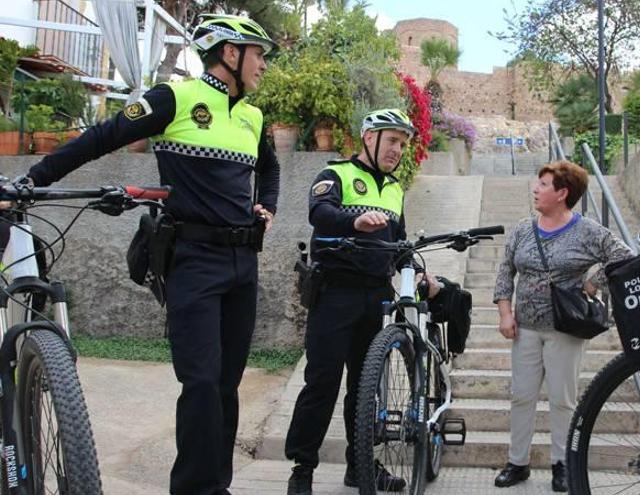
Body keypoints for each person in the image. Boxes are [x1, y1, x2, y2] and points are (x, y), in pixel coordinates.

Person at [21, 14, 281, 494]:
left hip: (243, 265)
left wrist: (268, 208)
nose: (264, 64)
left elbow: (270, 169)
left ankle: (215, 485)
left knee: (225, 387)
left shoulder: (252, 116)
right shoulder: (175, 99)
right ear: (230, 52)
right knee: (201, 383)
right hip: (193, 260)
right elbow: (102, 137)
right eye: (258, 54)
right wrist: (31, 180)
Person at [285, 108, 439, 495]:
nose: (397, 150)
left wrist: (419, 271)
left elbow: (399, 243)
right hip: (334, 292)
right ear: (369, 138)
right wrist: (352, 222)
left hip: (375, 297)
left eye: (403, 144)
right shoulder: (335, 174)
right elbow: (319, 213)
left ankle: (360, 467)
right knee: (321, 383)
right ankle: (302, 470)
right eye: (392, 141)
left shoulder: (394, 189)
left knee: (365, 388)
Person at [493, 160, 632, 492]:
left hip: (565, 331)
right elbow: (504, 271)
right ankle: (517, 463)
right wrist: (505, 313)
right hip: (524, 328)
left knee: (562, 400)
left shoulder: (587, 231)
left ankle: (563, 465)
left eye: (543, 185)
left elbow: (624, 257)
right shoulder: (524, 229)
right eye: (537, 184)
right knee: (522, 397)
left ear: (562, 193)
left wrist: (593, 284)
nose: (535, 189)